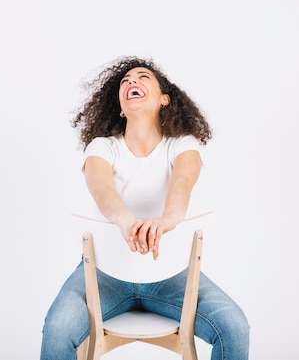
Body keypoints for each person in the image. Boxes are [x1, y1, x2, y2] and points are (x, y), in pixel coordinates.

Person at [40, 56, 250, 360]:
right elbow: (102, 190)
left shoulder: (182, 145)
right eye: (125, 81)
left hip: (170, 275)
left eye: (142, 78)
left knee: (234, 326)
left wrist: (168, 220)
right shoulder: (102, 147)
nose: (131, 82)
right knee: (58, 328)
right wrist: (127, 223)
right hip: (103, 276)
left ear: (164, 99)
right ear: (121, 108)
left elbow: (183, 183)